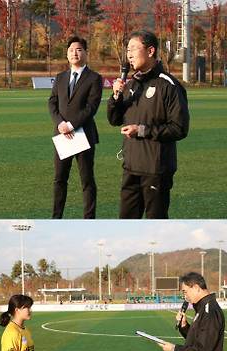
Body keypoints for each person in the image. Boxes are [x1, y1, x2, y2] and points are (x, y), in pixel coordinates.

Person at [107, 30, 189, 219]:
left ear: (150, 51)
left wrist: (142, 130)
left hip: (156, 169)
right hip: (130, 167)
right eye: (127, 50)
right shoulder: (131, 84)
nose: (129, 54)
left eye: (134, 49)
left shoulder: (168, 85)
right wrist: (115, 96)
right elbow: (114, 120)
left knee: (156, 223)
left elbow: (179, 128)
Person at [47, 36, 103, 219]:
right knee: (59, 179)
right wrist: (60, 123)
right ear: (67, 54)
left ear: (86, 53)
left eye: (79, 49)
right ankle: (56, 217)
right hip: (62, 136)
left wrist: (71, 125)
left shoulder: (95, 78)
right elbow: (52, 102)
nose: (74, 53)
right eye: (71, 50)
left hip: (83, 135)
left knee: (87, 180)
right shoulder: (60, 77)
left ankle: (89, 218)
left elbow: (91, 107)